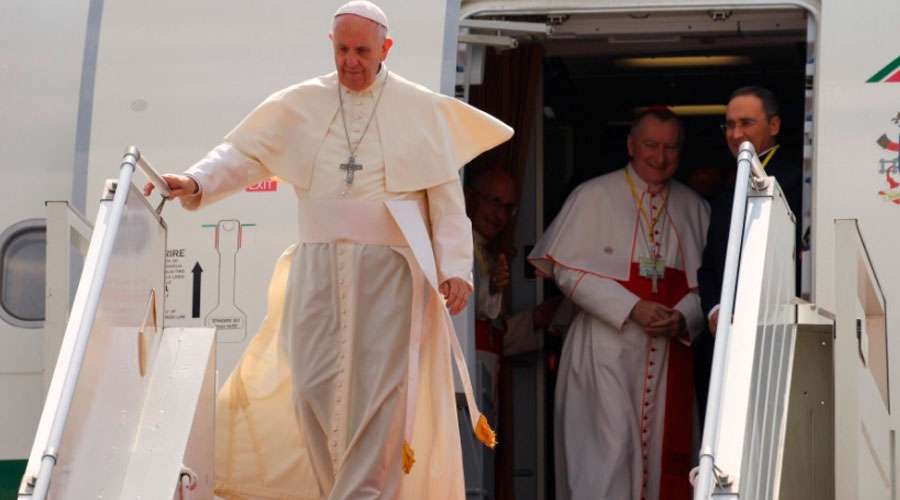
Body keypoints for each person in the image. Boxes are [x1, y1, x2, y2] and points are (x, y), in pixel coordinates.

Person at [144, 2, 512, 498]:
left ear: (386, 49)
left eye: (362, 51)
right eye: (342, 49)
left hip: (391, 273)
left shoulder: (419, 109)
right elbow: (246, 153)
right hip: (317, 264)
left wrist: (456, 269)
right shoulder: (301, 103)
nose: (351, 61)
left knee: (378, 398)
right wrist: (194, 180)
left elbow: (446, 203)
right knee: (310, 387)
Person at [529, 108, 709, 500]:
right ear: (631, 145)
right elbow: (566, 271)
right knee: (604, 457)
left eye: (670, 148)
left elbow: (710, 287)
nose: (660, 158)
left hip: (668, 357)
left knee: (670, 460)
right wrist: (630, 307)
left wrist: (683, 317)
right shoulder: (592, 196)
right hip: (604, 351)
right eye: (650, 146)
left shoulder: (696, 208)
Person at [698, 86, 803, 334]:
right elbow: (712, 265)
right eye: (730, 125)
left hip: (775, 329)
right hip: (730, 333)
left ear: (774, 125)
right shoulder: (730, 187)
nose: (736, 134)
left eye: (746, 123)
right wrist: (715, 309)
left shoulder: (796, 182)